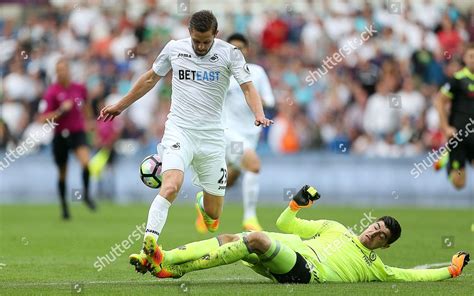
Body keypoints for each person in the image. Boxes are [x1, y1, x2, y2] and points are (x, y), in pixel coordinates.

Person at [97, 10, 272, 273]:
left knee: (213, 217)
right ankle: (150, 243)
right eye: (196, 41)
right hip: (180, 131)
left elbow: (248, 87)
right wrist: (120, 105)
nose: (200, 47)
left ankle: (202, 203)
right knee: (170, 186)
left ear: (216, 35)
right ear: (189, 33)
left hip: (213, 138)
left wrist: (258, 114)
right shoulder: (174, 49)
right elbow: (149, 78)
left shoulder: (230, 53)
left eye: (206, 41)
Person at [137, 185, 470, 283]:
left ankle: (176, 269)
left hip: (306, 273)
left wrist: (450, 270)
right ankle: (165, 259)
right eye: (376, 226)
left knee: (254, 240)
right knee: (230, 238)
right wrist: (297, 204)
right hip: (287, 252)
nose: (375, 233)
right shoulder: (335, 227)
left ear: (384, 246)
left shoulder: (374, 267)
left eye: (382, 236)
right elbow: (286, 223)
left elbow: (412, 276)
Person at [203, 32, 274, 233]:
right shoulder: (221, 72)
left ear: (246, 50)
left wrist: (253, 98)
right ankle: (249, 218)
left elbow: (270, 100)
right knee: (253, 164)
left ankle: (205, 205)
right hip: (227, 132)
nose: (237, 52)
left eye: (240, 48)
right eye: (232, 48)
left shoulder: (257, 72)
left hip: (250, 134)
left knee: (229, 178)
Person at [39, 58, 96, 220]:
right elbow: (43, 118)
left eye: (64, 69)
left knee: (86, 163)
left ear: (69, 70)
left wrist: (90, 122)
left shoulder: (79, 88)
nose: (62, 72)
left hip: (77, 132)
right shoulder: (52, 92)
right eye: (59, 70)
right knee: (63, 173)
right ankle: (64, 207)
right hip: (60, 135)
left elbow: (86, 107)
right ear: (56, 72)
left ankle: (85, 194)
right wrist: (60, 111)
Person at [434, 42, 474, 189]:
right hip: (459, 135)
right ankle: (449, 162)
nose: (473, 60)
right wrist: (445, 127)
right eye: (471, 56)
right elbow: (439, 101)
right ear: (465, 58)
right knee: (459, 184)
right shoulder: (457, 79)